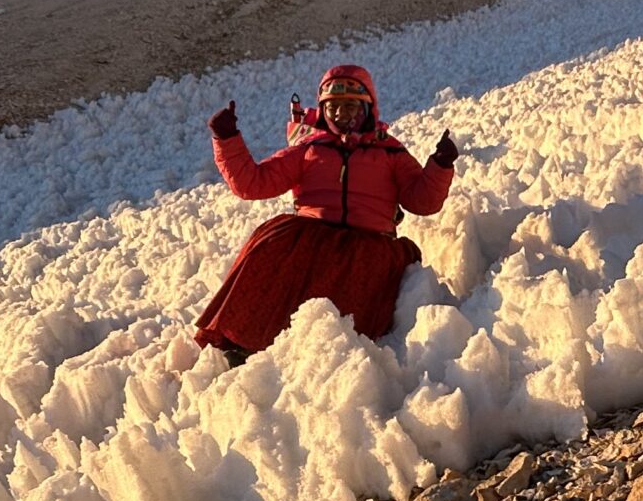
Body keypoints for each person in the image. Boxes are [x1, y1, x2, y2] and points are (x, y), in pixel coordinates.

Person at [194, 63, 458, 364]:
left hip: (369, 244)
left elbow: (422, 202)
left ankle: (331, 356)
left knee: (351, 283)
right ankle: (242, 340)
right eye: (333, 108)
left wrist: (440, 165)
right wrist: (227, 140)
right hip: (311, 236)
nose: (342, 115)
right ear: (323, 111)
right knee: (268, 248)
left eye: (351, 107)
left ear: (368, 108)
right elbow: (254, 183)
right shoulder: (309, 149)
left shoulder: (390, 152)